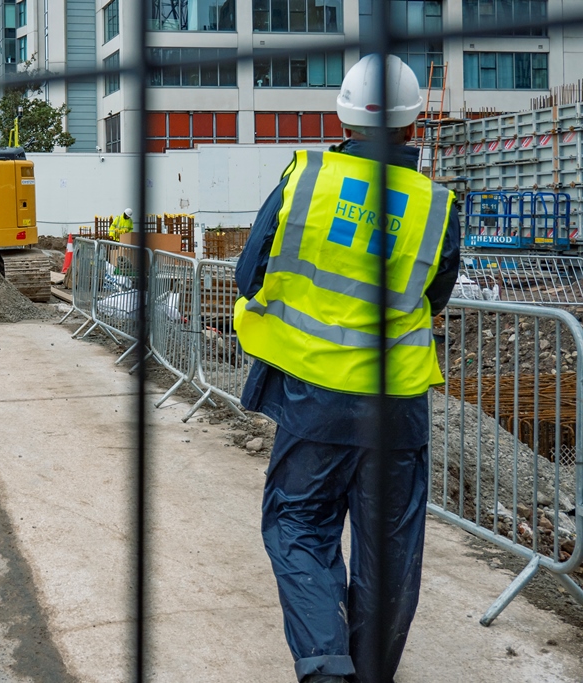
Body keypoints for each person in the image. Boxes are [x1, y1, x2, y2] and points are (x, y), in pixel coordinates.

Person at [233, 54, 460, 683]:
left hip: (315, 398)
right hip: (397, 407)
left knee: (298, 527)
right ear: (417, 122)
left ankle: (326, 663)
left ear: (344, 113)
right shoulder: (436, 206)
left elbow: (248, 274)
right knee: (389, 553)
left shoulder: (307, 177)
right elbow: (433, 299)